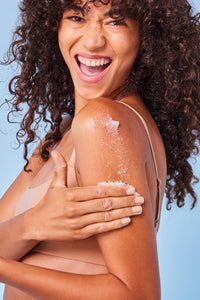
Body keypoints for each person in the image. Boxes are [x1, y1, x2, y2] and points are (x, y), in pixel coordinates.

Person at [0, 0, 200, 299]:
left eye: (116, 21)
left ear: (147, 34)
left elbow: (138, 295)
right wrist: (34, 223)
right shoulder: (62, 135)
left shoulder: (105, 124)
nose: (93, 41)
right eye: (77, 17)